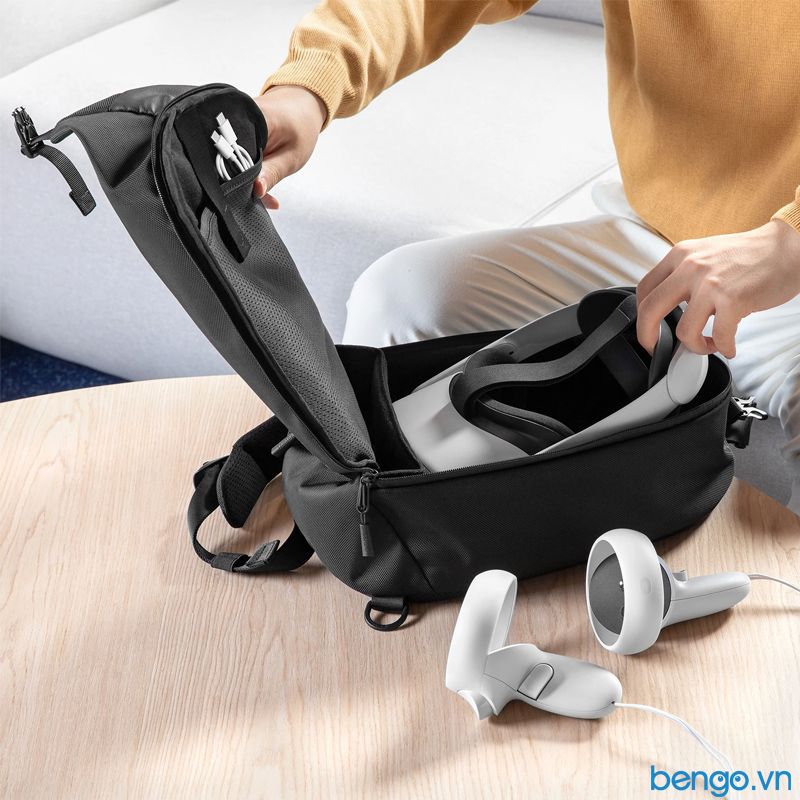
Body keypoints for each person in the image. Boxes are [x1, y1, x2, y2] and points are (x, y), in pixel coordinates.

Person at [252, 1, 800, 512]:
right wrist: (308, 88)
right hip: (657, 229)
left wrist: (788, 243)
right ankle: (388, 535)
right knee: (398, 299)